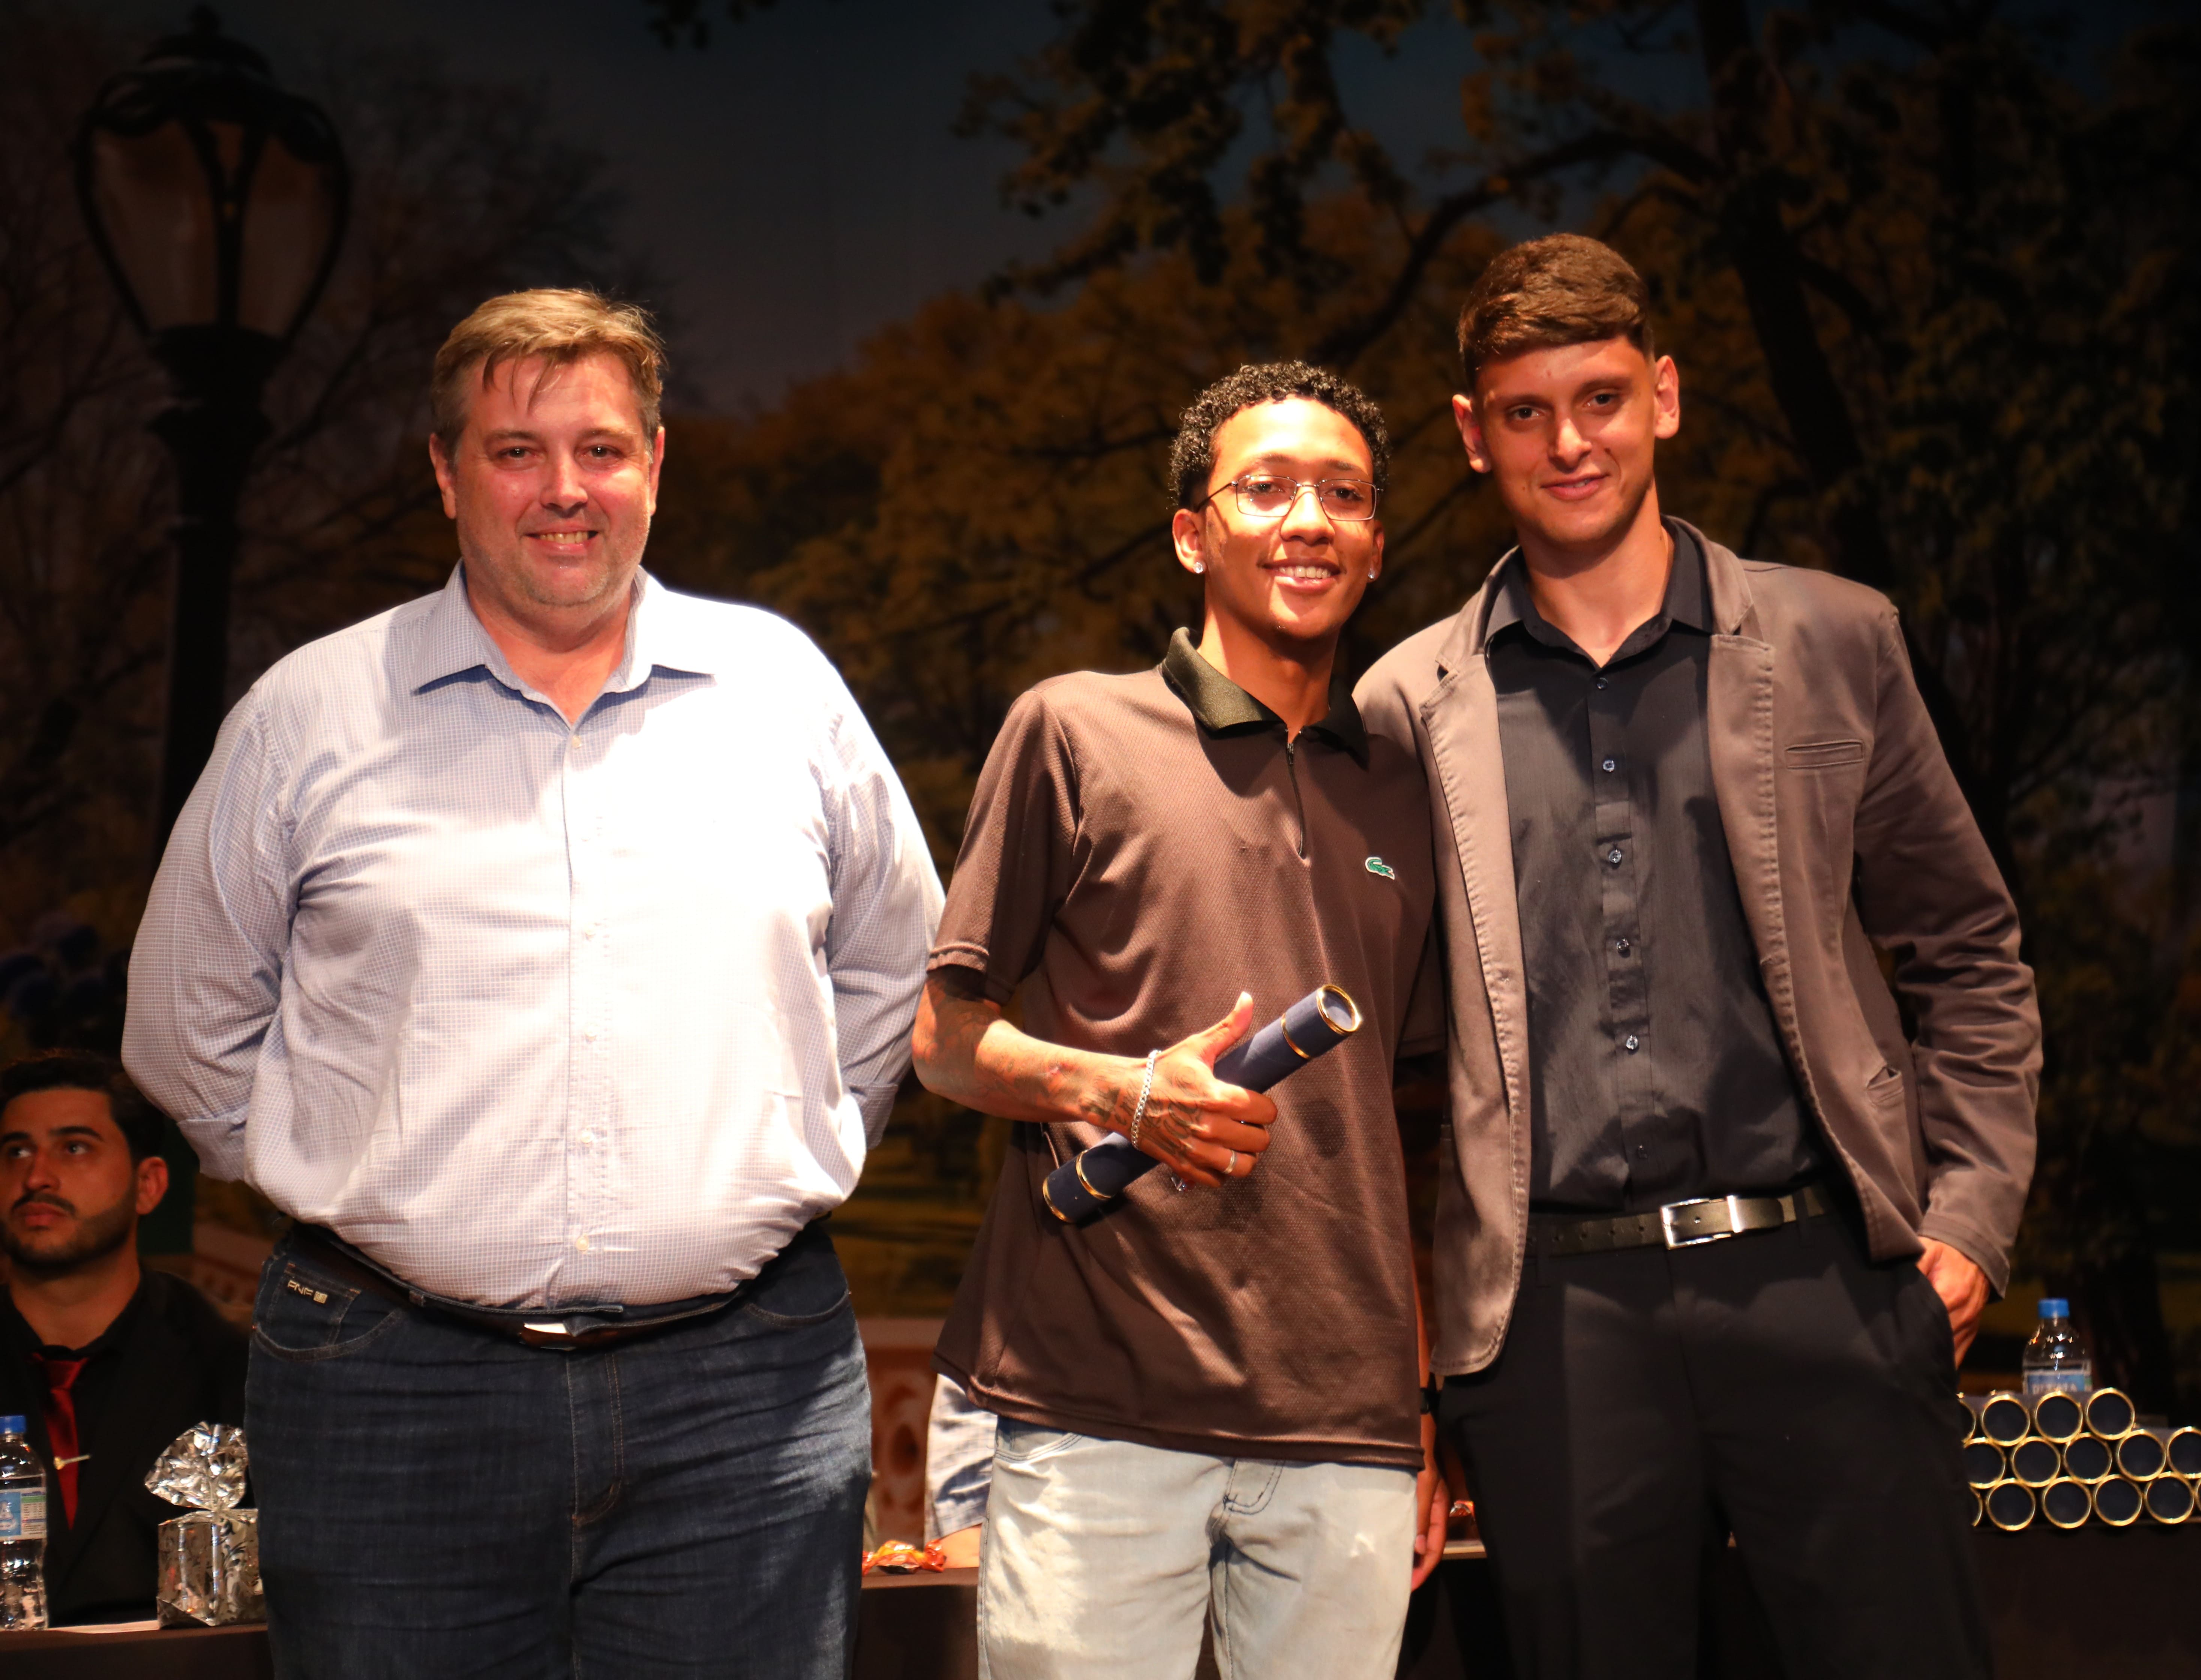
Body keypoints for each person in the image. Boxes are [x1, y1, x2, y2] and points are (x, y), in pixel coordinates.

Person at [123, 288, 943, 1677]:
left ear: (656, 465)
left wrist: (781, 1145)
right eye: (516, 451)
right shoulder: (309, 714)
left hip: (744, 1391)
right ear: (446, 474)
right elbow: (184, 1026)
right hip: (392, 1389)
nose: (566, 489)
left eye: (602, 449)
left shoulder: (783, 691)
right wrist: (357, 1175)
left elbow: (894, 970)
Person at [1356, 235, 2041, 1680]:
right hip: (1554, 1328)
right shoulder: (1405, 706)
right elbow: (1383, 1084)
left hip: (1829, 1280)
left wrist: (1972, 1220)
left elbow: (1967, 946)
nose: (1571, 442)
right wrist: (1417, 1379)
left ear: (1662, 397)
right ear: (1473, 435)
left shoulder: (1837, 638)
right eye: (1527, 412)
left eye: (1600, 399)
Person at [912, 362, 1449, 1680]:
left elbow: (1417, 1133)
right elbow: (943, 1041)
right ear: (1192, 536)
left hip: (1347, 1434)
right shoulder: (1073, 730)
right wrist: (1120, 1093)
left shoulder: (1408, 787)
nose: (1307, 520)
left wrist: (1421, 1409)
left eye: (1343, 495)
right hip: (1097, 1407)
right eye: (1264, 489)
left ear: (1376, 544)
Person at [0, 1050, 248, 1625]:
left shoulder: (236, 1361)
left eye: (74, 1148)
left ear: (148, 1184)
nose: (36, 1177)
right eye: (16, 1152)